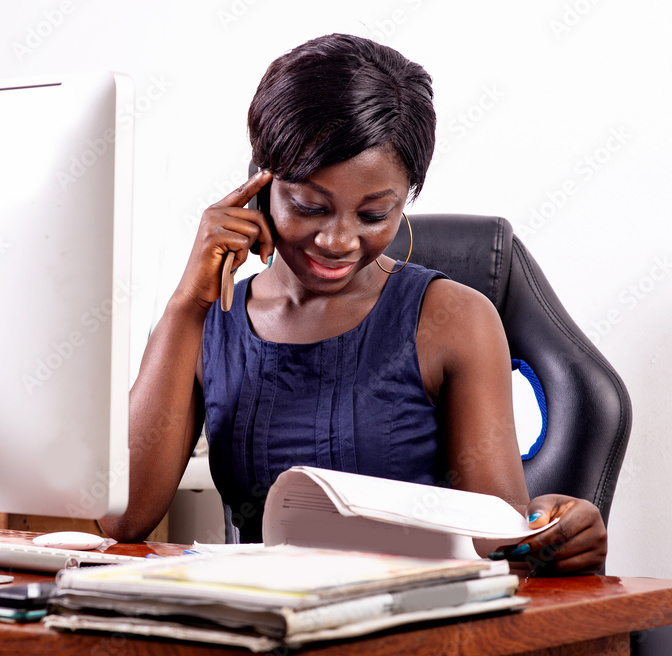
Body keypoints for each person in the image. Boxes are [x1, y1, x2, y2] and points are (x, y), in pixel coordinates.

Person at [99, 33, 607, 575]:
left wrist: (553, 531)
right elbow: (124, 520)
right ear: (259, 185)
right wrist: (187, 304)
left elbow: (499, 535)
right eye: (309, 206)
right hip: (259, 612)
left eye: (373, 215)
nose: (338, 241)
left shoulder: (455, 320)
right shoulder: (211, 321)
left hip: (409, 613)